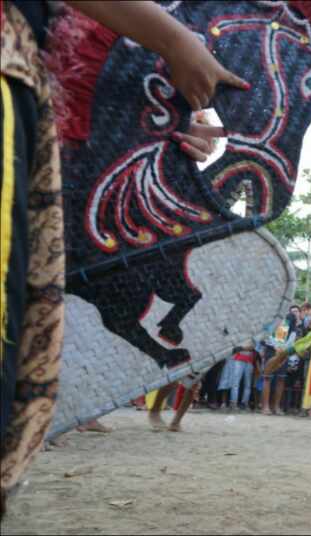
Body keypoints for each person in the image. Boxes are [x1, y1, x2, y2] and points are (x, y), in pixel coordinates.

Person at [0, 0, 248, 517]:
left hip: (43, 126)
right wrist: (175, 40)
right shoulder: (171, 28)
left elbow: (208, 128)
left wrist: (187, 126)